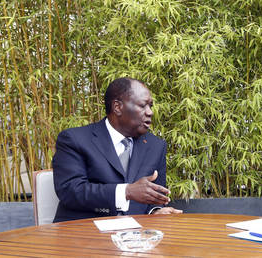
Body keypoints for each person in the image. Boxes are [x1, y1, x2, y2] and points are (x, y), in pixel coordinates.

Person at [52, 77, 182, 222]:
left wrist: (156, 211)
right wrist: (126, 192)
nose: (150, 112)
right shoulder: (75, 139)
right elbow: (70, 191)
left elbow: (155, 197)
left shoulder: (155, 146)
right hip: (85, 233)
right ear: (117, 107)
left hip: (137, 236)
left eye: (150, 106)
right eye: (143, 106)